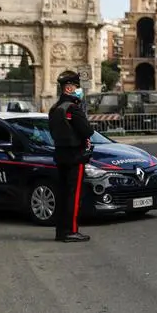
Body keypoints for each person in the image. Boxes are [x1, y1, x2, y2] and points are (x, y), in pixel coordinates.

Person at [48, 71, 93, 242]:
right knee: (73, 196)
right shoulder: (72, 108)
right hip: (76, 156)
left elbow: (52, 131)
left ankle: (60, 231)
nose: (78, 90)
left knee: (63, 193)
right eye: (76, 87)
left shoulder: (54, 109)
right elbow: (87, 131)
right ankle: (71, 231)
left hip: (60, 154)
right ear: (68, 88)